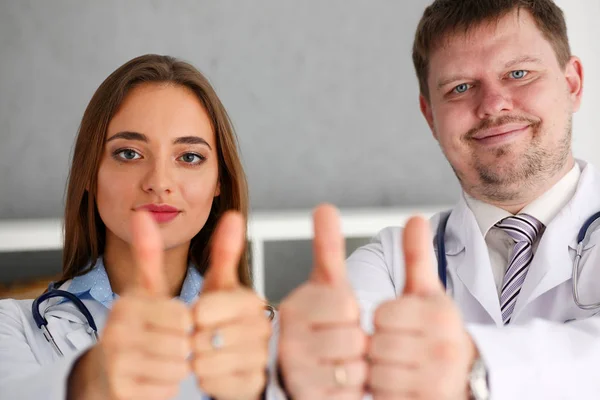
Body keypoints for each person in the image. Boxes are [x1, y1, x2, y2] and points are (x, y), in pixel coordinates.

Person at [277, 1, 600, 399]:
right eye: (460, 87)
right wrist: (300, 365)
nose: (493, 104)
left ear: (572, 84)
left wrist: (471, 366)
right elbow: (327, 366)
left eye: (519, 73)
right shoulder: (391, 263)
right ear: (430, 116)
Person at [0, 54, 277, 400]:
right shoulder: (11, 327)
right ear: (89, 172)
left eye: (189, 157)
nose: (159, 183)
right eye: (129, 153)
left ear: (219, 181)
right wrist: (92, 378)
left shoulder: (273, 341)